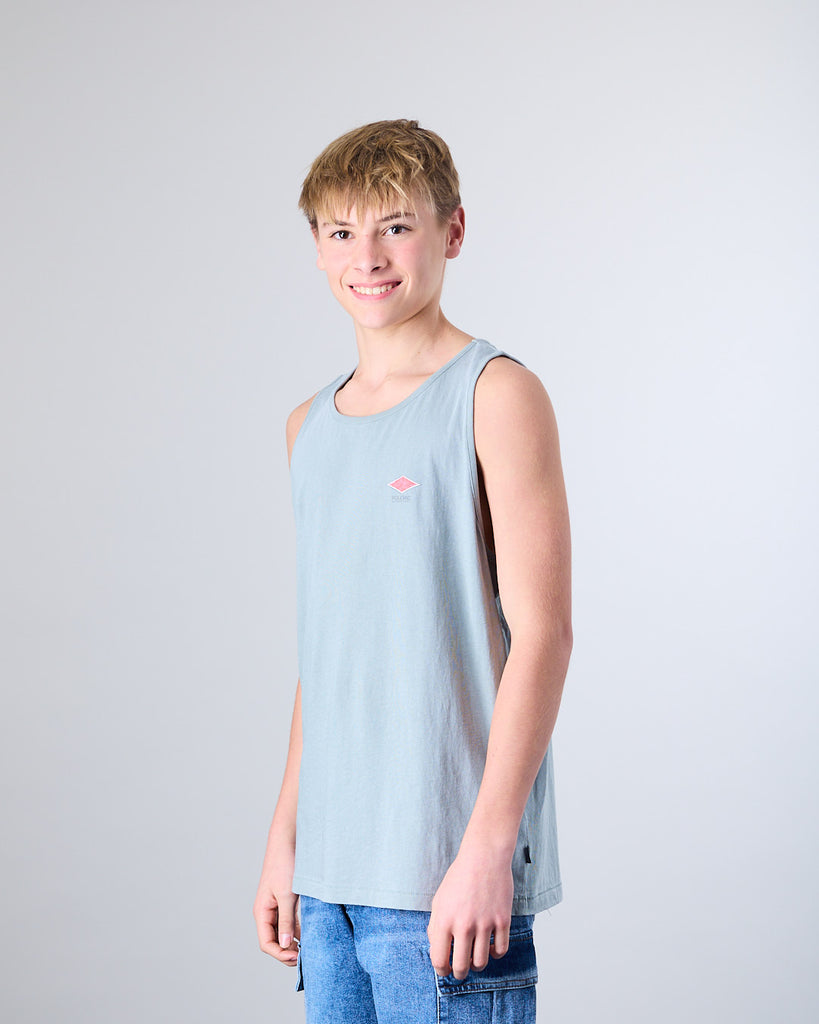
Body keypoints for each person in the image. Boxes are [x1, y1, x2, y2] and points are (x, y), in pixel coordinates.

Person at [253, 118, 572, 1024]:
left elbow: (543, 635)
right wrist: (285, 838)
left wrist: (487, 847)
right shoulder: (307, 427)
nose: (367, 258)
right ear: (316, 246)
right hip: (329, 885)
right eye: (341, 232)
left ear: (451, 231)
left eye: (395, 226)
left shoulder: (494, 393)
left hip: (444, 873)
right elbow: (330, 655)